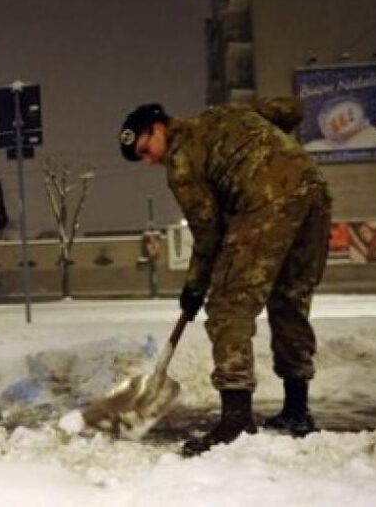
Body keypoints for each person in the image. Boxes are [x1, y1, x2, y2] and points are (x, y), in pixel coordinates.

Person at [117, 99, 332, 455]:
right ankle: (296, 411)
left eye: (145, 149)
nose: (150, 159)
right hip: (314, 190)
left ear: (158, 128)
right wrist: (269, 150)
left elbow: (208, 233)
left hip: (265, 202)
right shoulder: (227, 112)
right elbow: (290, 107)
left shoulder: (182, 160)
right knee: (289, 299)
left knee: (229, 306)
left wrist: (195, 287)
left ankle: (236, 420)